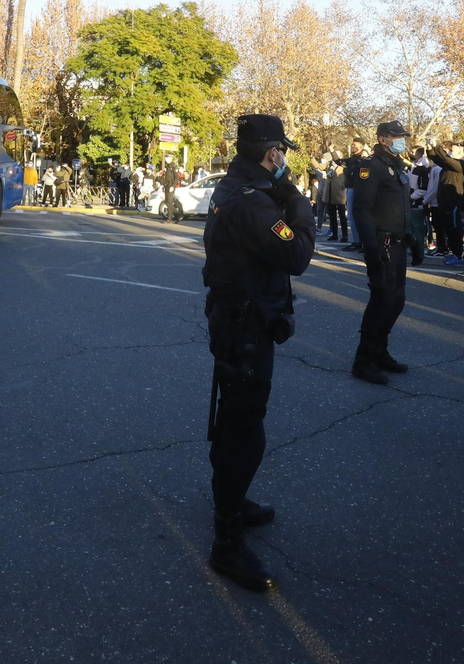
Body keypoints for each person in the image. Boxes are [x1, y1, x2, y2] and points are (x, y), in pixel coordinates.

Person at [201, 114, 315, 592]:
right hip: (245, 328)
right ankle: (227, 542)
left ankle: (234, 500)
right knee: (246, 431)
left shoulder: (237, 189)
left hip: (237, 321)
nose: (284, 158)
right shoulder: (253, 204)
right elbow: (298, 254)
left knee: (232, 419)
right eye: (282, 151)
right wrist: (298, 200)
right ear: (272, 154)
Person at [348, 120, 415, 384]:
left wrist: (415, 239)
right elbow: (361, 210)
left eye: (403, 136)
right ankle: (363, 359)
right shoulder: (370, 167)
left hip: (398, 243)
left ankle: (379, 351)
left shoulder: (397, 167)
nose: (402, 140)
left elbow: (402, 208)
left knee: (396, 301)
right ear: (383, 139)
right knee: (382, 300)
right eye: (397, 136)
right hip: (382, 244)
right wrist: (371, 249)